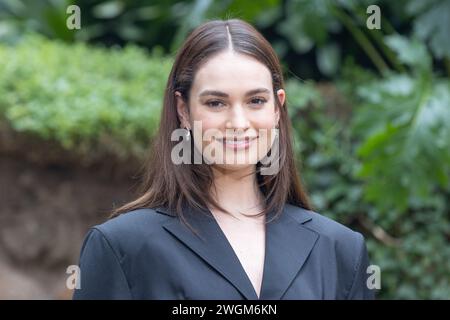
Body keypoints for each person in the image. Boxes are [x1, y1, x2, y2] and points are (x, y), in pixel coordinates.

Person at [72, 19, 375, 300]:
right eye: (216, 103)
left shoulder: (339, 250)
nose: (238, 122)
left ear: (277, 108)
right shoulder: (122, 247)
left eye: (256, 101)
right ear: (183, 111)